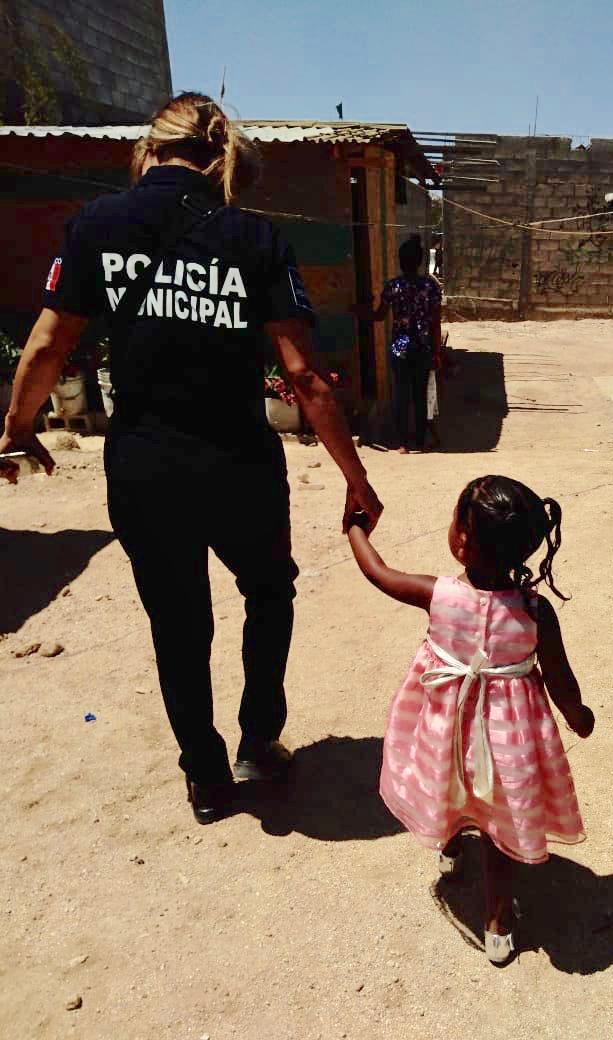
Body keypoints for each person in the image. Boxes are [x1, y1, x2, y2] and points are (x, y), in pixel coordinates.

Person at [0, 92, 383, 825]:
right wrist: (355, 475)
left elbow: (48, 343)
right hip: (240, 465)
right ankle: (258, 742)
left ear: (149, 149)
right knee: (268, 592)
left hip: (145, 467)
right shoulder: (255, 237)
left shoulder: (97, 225)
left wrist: (18, 425)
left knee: (178, 624)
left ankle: (206, 778)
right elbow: (303, 374)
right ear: (219, 157)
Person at [347, 475, 594, 964]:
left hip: (446, 728)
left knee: (449, 787)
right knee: (499, 825)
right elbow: (560, 678)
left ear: (461, 540)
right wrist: (579, 716)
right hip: (507, 740)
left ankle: (451, 846)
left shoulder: (437, 594)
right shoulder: (535, 611)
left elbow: (378, 572)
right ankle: (497, 925)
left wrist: (355, 528)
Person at [355, 235, 441, 454]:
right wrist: (437, 352)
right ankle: (420, 441)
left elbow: (379, 316)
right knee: (420, 395)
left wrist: (360, 311)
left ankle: (403, 443)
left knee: (401, 394)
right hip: (422, 345)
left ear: (401, 261)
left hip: (400, 345)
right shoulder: (430, 287)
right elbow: (435, 323)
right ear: (420, 261)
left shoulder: (393, 286)